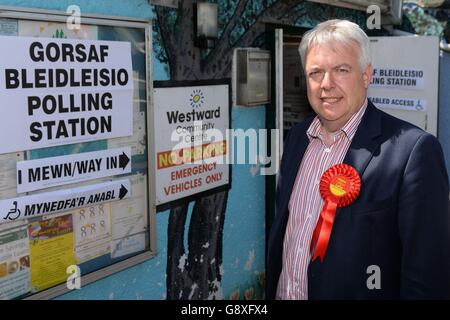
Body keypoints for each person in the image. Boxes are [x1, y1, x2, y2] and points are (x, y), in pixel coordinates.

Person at [266, 19, 450, 299]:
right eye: (315, 72)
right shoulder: (297, 138)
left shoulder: (414, 151)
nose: (326, 84)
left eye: (341, 70)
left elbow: (427, 275)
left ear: (366, 75)